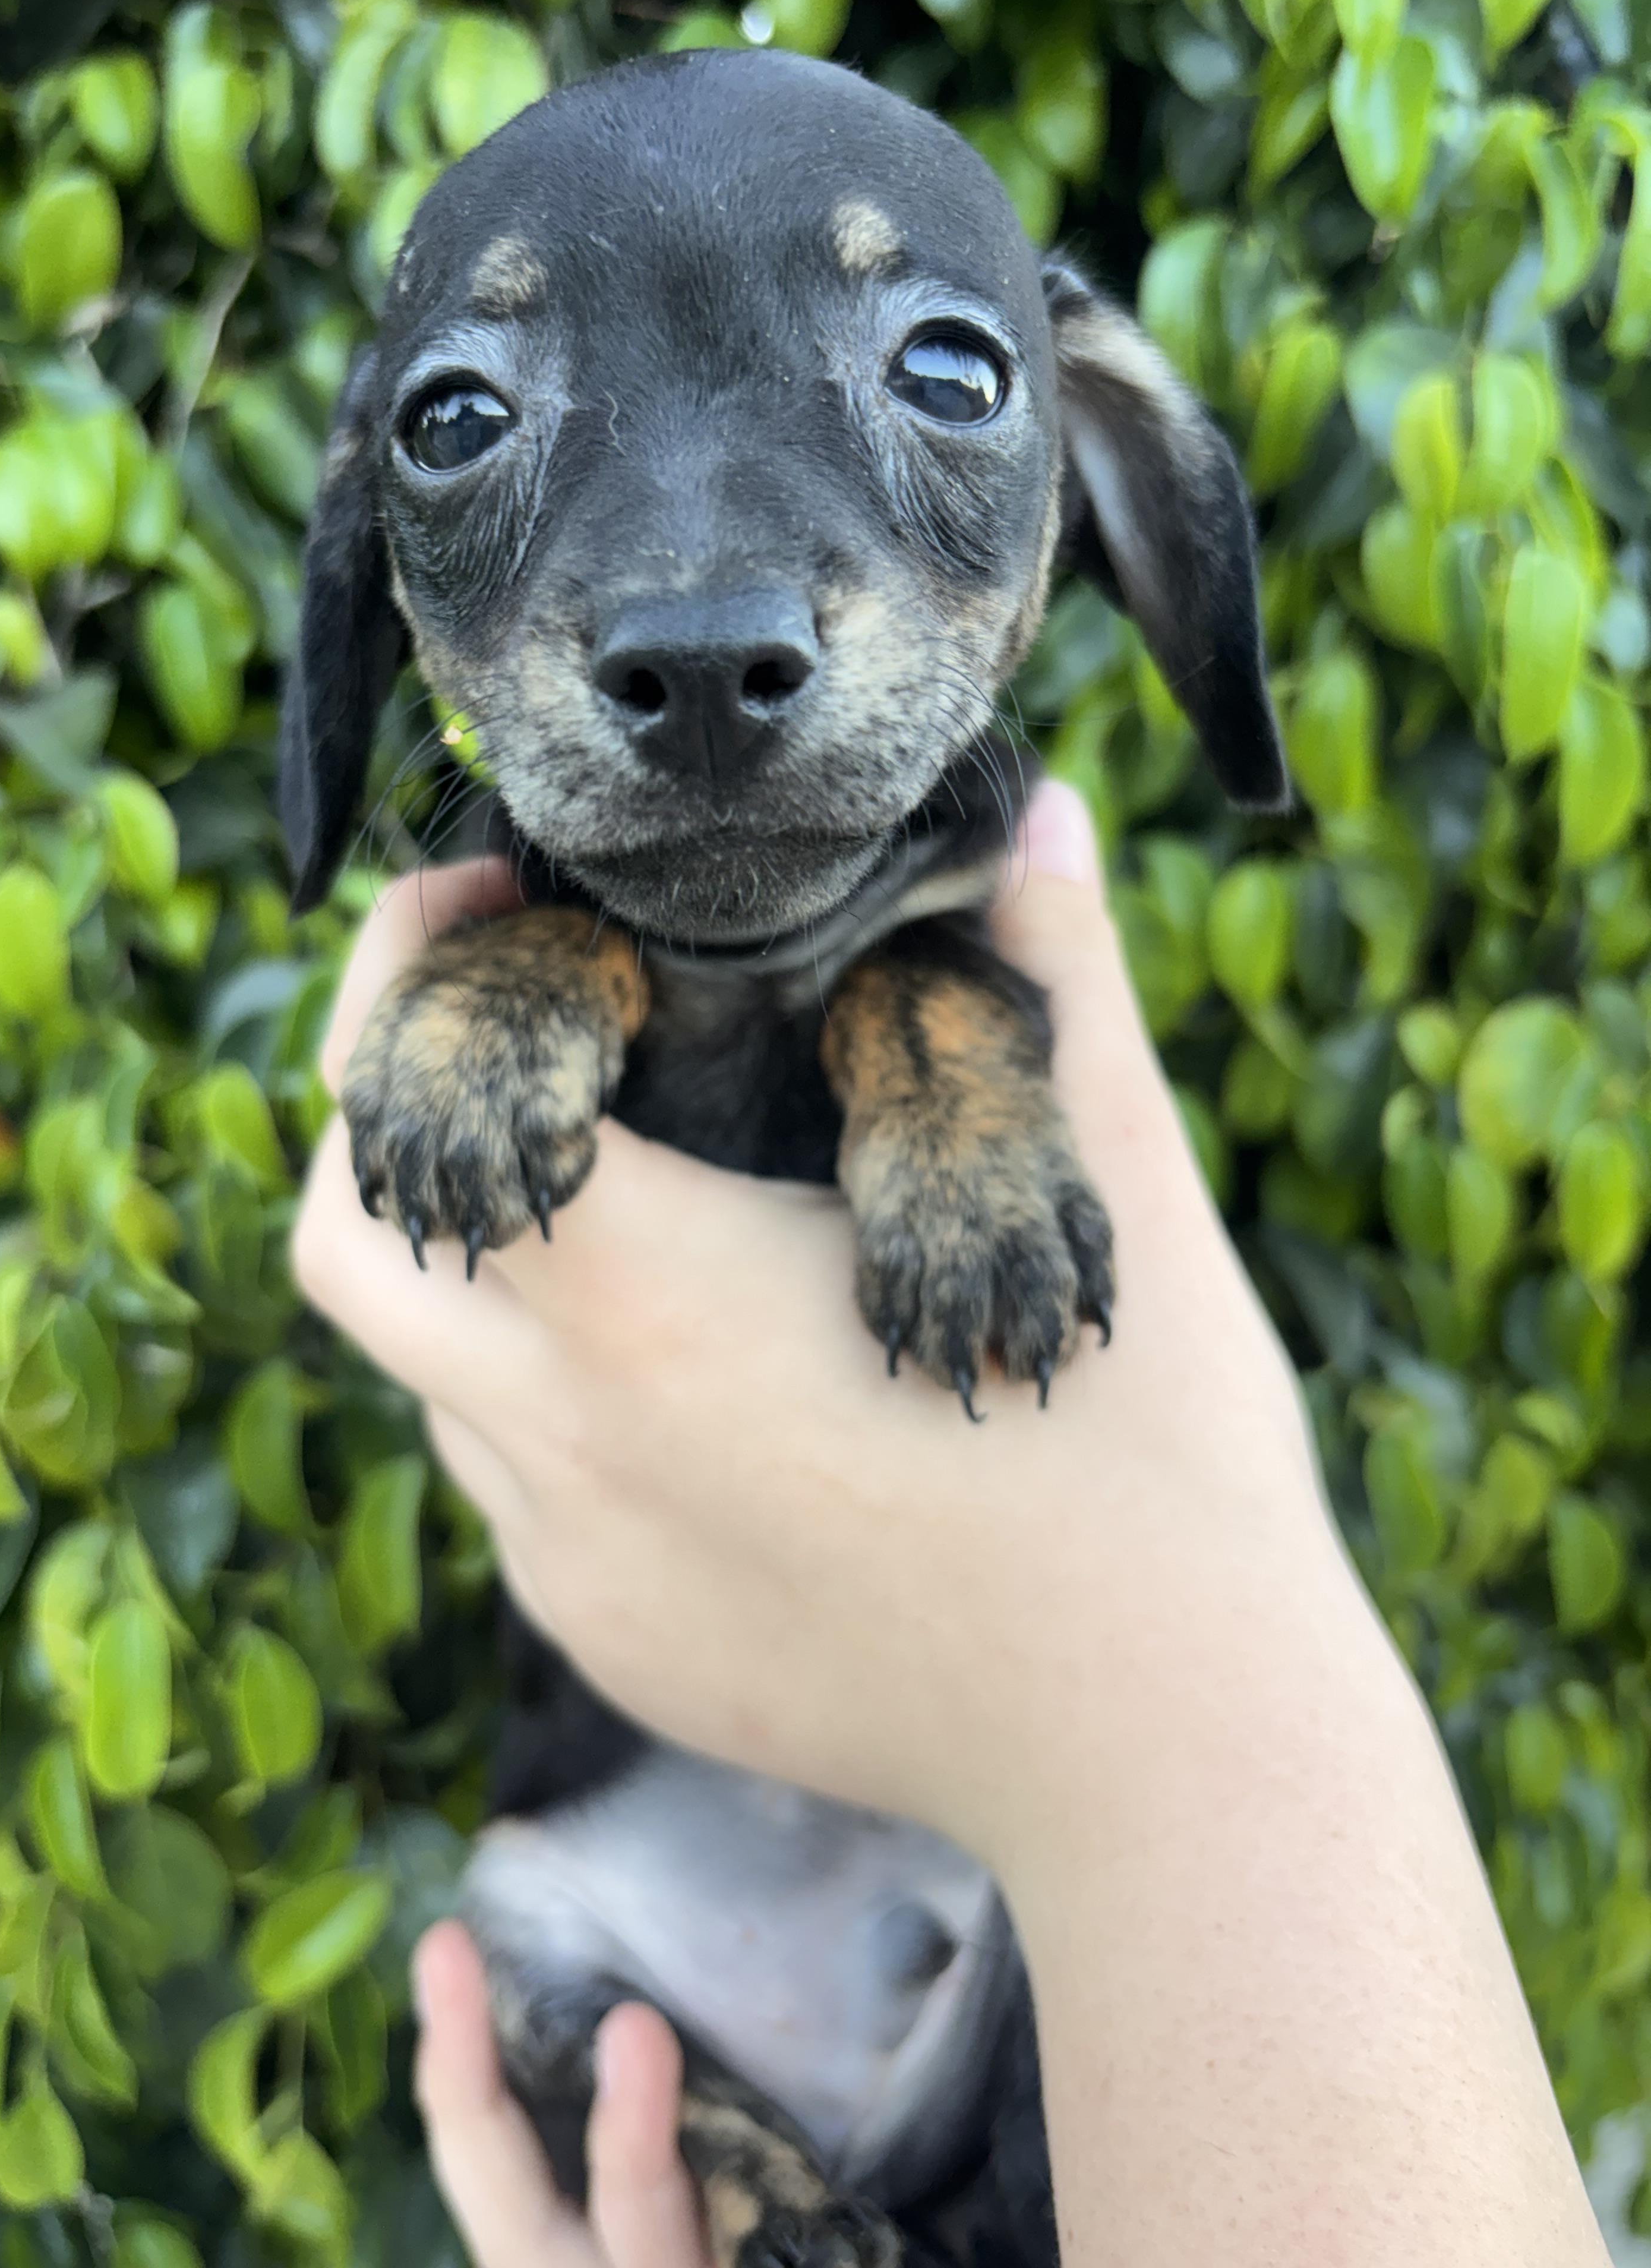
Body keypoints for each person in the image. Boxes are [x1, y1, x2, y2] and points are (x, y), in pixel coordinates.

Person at [291, 782, 1610, 2268]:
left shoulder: (932, 931)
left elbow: (945, 962)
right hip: (649, 1900)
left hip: (1017, 1942)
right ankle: (768, 2203)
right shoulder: (546, 892)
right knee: (531, 1965)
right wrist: (533, 965)